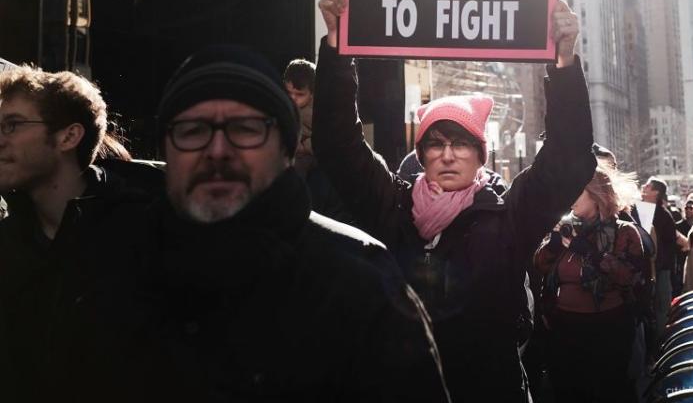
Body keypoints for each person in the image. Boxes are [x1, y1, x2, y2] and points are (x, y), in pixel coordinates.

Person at [107, 46, 448, 401]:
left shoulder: (361, 287)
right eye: (193, 131)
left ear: (286, 150)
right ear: (166, 148)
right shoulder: (106, 271)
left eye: (245, 129)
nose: (218, 150)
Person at [313, 0, 596, 403]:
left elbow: (569, 158)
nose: (448, 155)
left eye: (461, 144)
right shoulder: (394, 206)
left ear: (480, 155)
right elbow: (338, 145)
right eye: (435, 144)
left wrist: (564, 63)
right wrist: (335, 46)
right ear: (421, 156)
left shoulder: (509, 216)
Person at [0, 66, 163, 401]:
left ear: (68, 137)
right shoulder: (8, 241)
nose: (0, 138)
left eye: (12, 125)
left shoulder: (141, 232)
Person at [535, 165, 646, 403]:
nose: (569, 198)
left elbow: (630, 276)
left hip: (606, 329)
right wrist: (553, 246)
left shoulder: (624, 231)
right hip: (565, 328)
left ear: (596, 195)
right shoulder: (569, 228)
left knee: (605, 392)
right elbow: (540, 266)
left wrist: (593, 254)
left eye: (576, 191)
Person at [282, 58, 354, 223]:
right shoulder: (288, 108)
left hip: (312, 160)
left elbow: (322, 139)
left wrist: (301, 146)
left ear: (313, 93)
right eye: (289, 93)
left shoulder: (315, 112)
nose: (293, 99)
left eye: (299, 95)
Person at [640, 176, 676, 340]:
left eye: (647, 186)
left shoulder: (662, 215)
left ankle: (660, 345)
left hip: (659, 270)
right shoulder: (640, 209)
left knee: (660, 308)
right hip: (647, 269)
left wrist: (655, 266)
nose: (643, 187)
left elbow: (666, 247)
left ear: (656, 192)